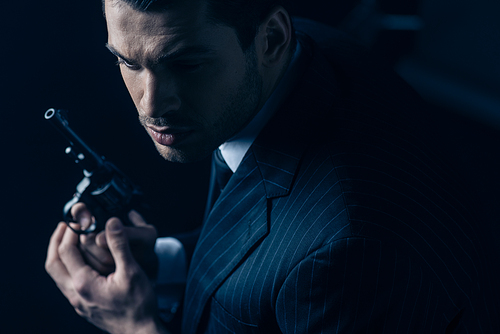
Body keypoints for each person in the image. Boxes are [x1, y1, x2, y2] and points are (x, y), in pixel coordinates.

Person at [45, 0, 499, 333]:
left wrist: (136, 327)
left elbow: (316, 245)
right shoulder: (298, 54)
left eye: (186, 64)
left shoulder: (349, 253)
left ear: (272, 39)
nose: (153, 104)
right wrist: (162, 266)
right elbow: (270, 231)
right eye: (127, 61)